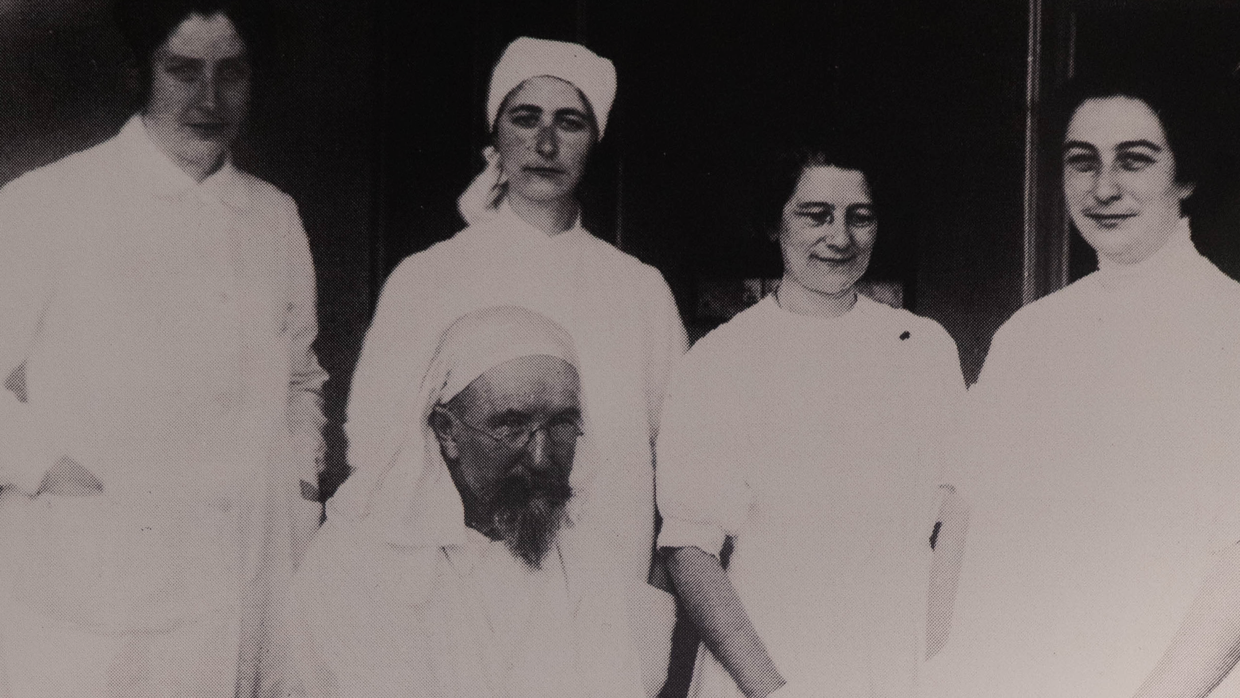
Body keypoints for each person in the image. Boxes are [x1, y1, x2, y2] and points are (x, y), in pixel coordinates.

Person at [0, 1, 326, 695]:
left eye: (231, 72)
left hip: (253, 571)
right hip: (100, 586)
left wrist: (301, 478)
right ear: (139, 72)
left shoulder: (274, 216)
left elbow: (301, 380)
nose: (209, 99)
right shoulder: (50, 201)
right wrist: (44, 466)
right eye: (183, 71)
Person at [342, 36, 685, 692]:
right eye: (526, 117)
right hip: (457, 609)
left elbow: (682, 469)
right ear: (495, 133)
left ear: (595, 140)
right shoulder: (429, 279)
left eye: (570, 121)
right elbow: (379, 456)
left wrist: (649, 598)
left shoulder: (638, 290)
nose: (546, 143)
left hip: (606, 606)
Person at [931, 72, 1240, 698]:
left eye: (1134, 161)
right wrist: (939, 671)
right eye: (1082, 163)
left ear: (1184, 177)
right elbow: (963, 523)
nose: (1104, 189)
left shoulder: (1227, 326)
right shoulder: (1027, 337)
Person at [655, 145, 965, 698]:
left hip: (900, 662)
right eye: (815, 214)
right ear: (774, 223)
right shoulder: (722, 360)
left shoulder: (923, 347)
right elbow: (689, 551)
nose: (840, 237)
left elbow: (955, 528)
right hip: (772, 660)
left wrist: (942, 667)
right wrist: (772, 691)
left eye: (859, 216)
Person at [288, 305, 649, 698]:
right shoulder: (362, 556)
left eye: (562, 423)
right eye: (511, 426)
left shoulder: (584, 548)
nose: (541, 457)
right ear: (447, 430)